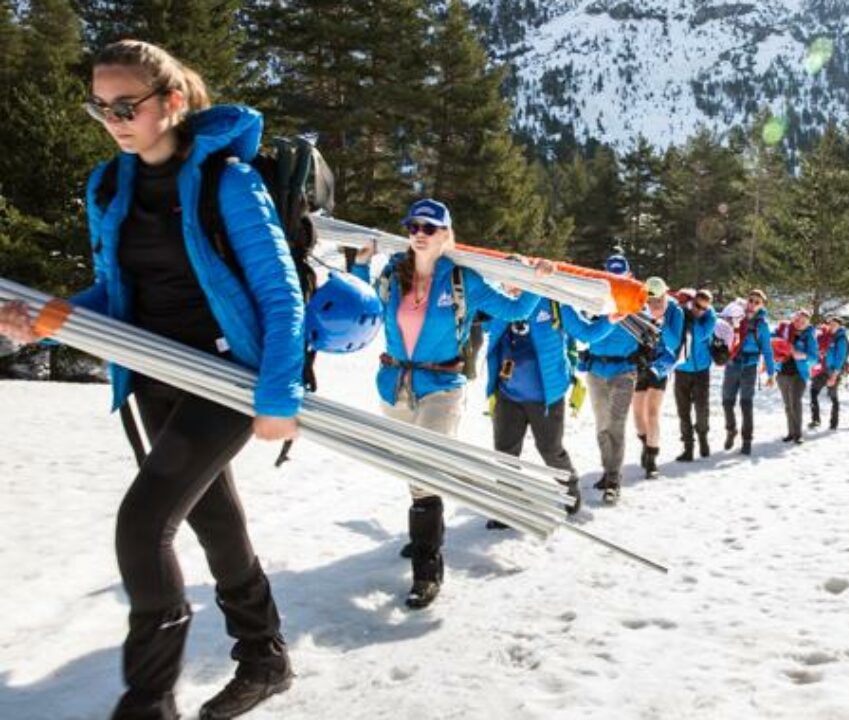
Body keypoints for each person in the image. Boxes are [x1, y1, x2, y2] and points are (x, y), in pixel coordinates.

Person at [0, 40, 300, 719]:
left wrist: (278, 396)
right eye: (100, 108)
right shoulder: (110, 185)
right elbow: (116, 291)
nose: (113, 121)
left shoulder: (229, 182)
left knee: (143, 527)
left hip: (224, 376)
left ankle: (149, 701)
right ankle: (265, 658)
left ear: (173, 102)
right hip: (154, 372)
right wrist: (53, 319)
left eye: (126, 106)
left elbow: (280, 296)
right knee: (213, 520)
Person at [352, 198, 549, 610]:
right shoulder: (393, 273)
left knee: (426, 467)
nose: (419, 234)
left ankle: (427, 569)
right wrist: (360, 265)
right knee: (412, 465)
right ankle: (426, 527)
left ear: (445, 234)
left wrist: (536, 282)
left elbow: (514, 309)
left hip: (442, 385)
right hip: (396, 383)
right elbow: (363, 306)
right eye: (413, 227)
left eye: (429, 227)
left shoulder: (463, 279)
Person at [483, 292, 616, 528]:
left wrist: (610, 320)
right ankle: (508, 508)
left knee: (551, 450)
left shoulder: (554, 302)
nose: (511, 286)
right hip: (508, 394)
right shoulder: (502, 302)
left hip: (546, 398)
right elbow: (476, 320)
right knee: (504, 454)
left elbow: (586, 333)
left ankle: (570, 489)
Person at [581, 254, 643, 503]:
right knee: (601, 426)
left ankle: (614, 480)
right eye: (611, 274)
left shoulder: (636, 302)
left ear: (628, 275)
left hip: (623, 371)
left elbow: (652, 329)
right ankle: (607, 471)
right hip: (596, 370)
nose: (615, 279)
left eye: (620, 275)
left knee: (616, 425)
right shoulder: (595, 301)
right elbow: (582, 328)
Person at [631, 277, 683, 478]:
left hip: (662, 364)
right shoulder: (639, 307)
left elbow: (674, 343)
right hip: (641, 362)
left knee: (652, 412)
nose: (655, 304)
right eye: (650, 300)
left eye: (659, 299)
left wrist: (660, 322)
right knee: (638, 414)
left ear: (665, 295)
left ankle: (652, 459)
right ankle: (646, 445)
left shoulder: (675, 311)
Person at [723, 288, 776, 455]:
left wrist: (771, 373)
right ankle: (731, 430)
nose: (752, 304)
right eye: (751, 300)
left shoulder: (762, 325)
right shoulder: (736, 316)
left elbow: (767, 350)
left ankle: (747, 440)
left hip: (750, 367)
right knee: (727, 402)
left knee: (746, 404)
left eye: (757, 302)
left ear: (762, 306)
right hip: (732, 363)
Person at [673, 289, 718, 462]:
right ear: (692, 302)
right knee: (683, 411)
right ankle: (688, 447)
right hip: (682, 369)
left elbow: (699, 335)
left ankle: (703, 439)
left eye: (704, 308)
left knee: (701, 409)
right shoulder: (682, 313)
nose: (700, 310)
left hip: (701, 371)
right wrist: (684, 311)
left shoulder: (710, 318)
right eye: (697, 306)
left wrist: (692, 318)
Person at [775, 309, 819, 443]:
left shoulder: (809, 336)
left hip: (798, 375)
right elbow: (770, 340)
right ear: (794, 319)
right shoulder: (784, 331)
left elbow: (814, 358)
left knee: (795, 403)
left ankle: (798, 434)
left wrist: (803, 355)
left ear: (807, 323)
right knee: (788, 405)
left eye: (803, 322)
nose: (800, 323)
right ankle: (790, 433)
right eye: (798, 320)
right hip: (782, 373)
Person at [810, 317, 849, 429]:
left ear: (840, 326)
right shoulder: (827, 336)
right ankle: (815, 419)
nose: (831, 326)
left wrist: (834, 376)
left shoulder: (841, 339)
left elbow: (840, 358)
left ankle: (834, 422)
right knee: (813, 392)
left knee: (833, 397)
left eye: (834, 324)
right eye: (830, 324)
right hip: (822, 370)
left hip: (833, 372)